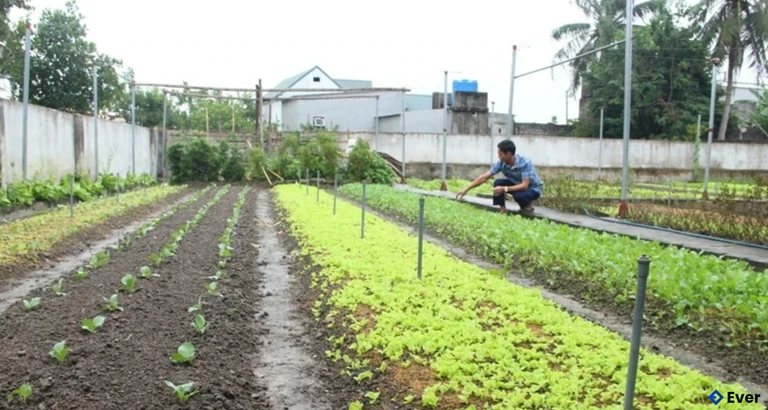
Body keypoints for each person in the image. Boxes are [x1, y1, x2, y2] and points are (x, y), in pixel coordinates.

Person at [456, 139, 544, 214]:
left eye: (500, 154)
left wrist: (504, 189)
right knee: (498, 183)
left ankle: (527, 204)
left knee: (518, 195)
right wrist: (466, 189)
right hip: (516, 184)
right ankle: (503, 209)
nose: (498, 156)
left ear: (508, 154)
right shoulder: (501, 163)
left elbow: (524, 186)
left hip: (532, 188)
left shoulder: (525, 163)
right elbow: (484, 177)